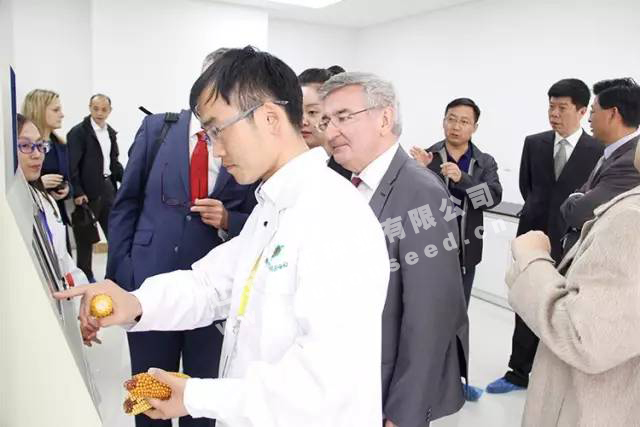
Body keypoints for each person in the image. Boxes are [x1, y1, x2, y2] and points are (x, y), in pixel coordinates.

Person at [57, 46, 390, 427]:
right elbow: (213, 285)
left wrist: (195, 396)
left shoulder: (333, 216)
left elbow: (321, 386)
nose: (215, 151)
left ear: (268, 117)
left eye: (218, 131)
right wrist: (135, 302)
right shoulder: (273, 207)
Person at [106, 49, 257, 427]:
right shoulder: (158, 129)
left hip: (216, 292)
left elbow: (259, 218)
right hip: (149, 279)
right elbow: (126, 203)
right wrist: (120, 276)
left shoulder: (246, 143)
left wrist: (229, 219)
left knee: (201, 397)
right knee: (148, 393)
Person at [319, 72, 468, 426]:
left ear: (384, 118)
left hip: (383, 388)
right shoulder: (346, 184)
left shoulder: (421, 192)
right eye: (325, 121)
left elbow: (430, 317)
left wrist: (405, 411)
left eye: (343, 117)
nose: (329, 132)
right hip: (344, 378)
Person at [505, 139, 640, 427]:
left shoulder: (633, 219)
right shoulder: (536, 143)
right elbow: (529, 187)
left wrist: (532, 261)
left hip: (590, 409)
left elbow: (584, 337)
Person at [487, 78, 603, 394]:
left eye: (562, 108)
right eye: (551, 106)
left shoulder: (597, 150)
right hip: (532, 234)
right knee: (526, 300)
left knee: (564, 308)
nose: (554, 113)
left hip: (571, 240)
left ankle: (550, 377)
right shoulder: (534, 143)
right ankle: (518, 372)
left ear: (582, 111)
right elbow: (528, 187)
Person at [410, 98, 502, 306]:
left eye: (464, 121)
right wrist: (420, 172)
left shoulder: (484, 162)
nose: (456, 126)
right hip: (428, 250)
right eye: (451, 119)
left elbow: (491, 199)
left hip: (465, 252)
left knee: (458, 311)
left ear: (474, 127)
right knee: (424, 309)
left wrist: (463, 179)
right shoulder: (427, 157)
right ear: (443, 121)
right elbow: (411, 202)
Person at [560, 78, 640, 254]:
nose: (589, 119)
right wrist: (581, 195)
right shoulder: (612, 152)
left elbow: (579, 213)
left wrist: (577, 197)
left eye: (593, 112)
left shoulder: (631, 161)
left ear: (612, 113)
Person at [16, 114, 88, 296]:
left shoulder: (45, 201)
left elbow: (63, 261)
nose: (37, 154)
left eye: (40, 145)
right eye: (25, 145)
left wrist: (85, 292)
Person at [67, 94, 124, 282]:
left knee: (115, 234)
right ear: (90, 108)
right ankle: (85, 276)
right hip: (87, 191)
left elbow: (114, 162)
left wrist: (127, 180)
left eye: (104, 109)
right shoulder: (78, 133)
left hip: (108, 188)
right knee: (85, 237)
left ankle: (114, 274)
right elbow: (72, 165)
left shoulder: (111, 133)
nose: (99, 113)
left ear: (110, 111)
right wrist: (77, 191)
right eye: (96, 108)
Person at [22, 89, 72, 237]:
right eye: (56, 110)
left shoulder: (60, 145)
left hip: (58, 217)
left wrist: (67, 189)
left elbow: (70, 178)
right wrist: (40, 184)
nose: (62, 115)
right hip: (34, 219)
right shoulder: (23, 149)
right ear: (39, 111)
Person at [298, 67, 351, 179]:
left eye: (312, 112)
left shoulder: (352, 170)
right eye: (296, 111)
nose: (302, 122)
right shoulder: (283, 165)